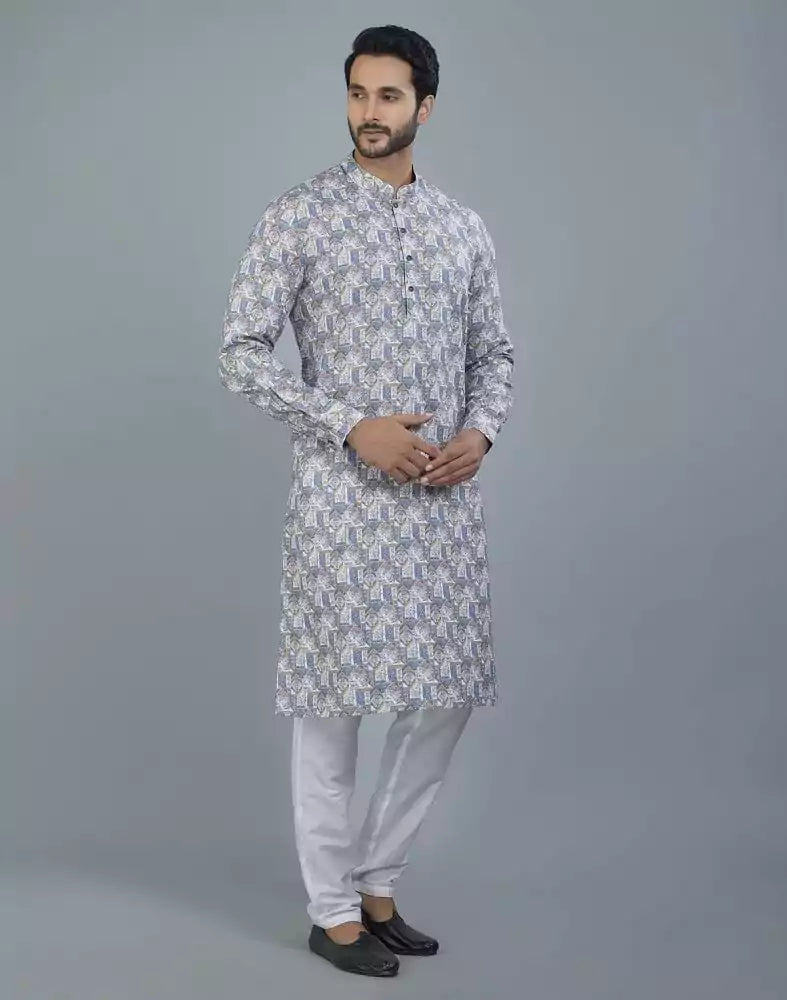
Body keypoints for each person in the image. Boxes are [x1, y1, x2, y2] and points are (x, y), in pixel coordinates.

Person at [218, 24, 514, 977]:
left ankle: (379, 878)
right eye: (357, 93)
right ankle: (332, 910)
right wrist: (350, 425)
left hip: (440, 503)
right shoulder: (299, 216)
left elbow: (492, 354)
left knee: (445, 697)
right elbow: (240, 353)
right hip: (341, 506)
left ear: (425, 106)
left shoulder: (461, 228)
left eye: (388, 96)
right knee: (332, 705)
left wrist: (480, 434)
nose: (369, 113)